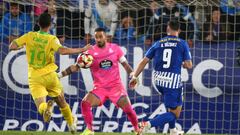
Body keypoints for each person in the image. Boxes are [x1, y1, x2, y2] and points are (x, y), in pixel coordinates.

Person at [9, 13, 91, 134]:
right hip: (50, 76)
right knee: (61, 101)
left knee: (40, 105)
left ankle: (45, 108)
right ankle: (71, 123)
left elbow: (12, 46)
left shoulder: (29, 36)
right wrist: (81, 49)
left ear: (38, 23)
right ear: (50, 25)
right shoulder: (52, 39)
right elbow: (63, 51)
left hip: (35, 77)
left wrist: (20, 47)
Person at [58, 28, 141, 135]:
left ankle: (137, 130)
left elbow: (126, 65)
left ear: (105, 37)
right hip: (100, 88)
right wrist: (59, 75)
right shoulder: (90, 52)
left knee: (129, 110)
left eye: (100, 36)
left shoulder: (115, 49)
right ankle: (90, 130)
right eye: (96, 37)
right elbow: (75, 67)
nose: (98, 39)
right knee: (85, 103)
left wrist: (133, 76)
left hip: (116, 87)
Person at [129, 20, 192, 135]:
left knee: (171, 107)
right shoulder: (182, 43)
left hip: (157, 80)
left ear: (167, 29)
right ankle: (146, 125)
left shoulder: (158, 43)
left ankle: (173, 131)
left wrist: (134, 76)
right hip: (172, 81)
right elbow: (188, 65)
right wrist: (182, 63)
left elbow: (144, 61)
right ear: (179, 30)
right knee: (174, 114)